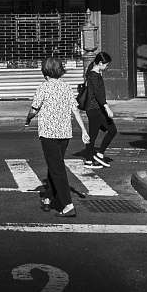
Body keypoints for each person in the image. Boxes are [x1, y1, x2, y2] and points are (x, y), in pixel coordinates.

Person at [25, 54, 89, 218]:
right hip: (65, 134)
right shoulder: (66, 87)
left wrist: (28, 118)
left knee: (57, 168)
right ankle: (48, 197)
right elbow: (75, 110)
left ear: (45, 72)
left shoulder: (43, 87)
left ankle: (67, 205)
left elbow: (34, 109)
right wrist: (84, 130)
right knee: (56, 165)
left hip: (48, 134)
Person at [80, 51, 118, 168]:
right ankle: (96, 155)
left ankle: (90, 159)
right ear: (100, 63)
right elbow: (98, 94)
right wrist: (107, 108)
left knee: (95, 134)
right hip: (95, 109)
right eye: (106, 65)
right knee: (110, 130)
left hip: (95, 109)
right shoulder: (94, 75)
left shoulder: (94, 73)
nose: (107, 67)